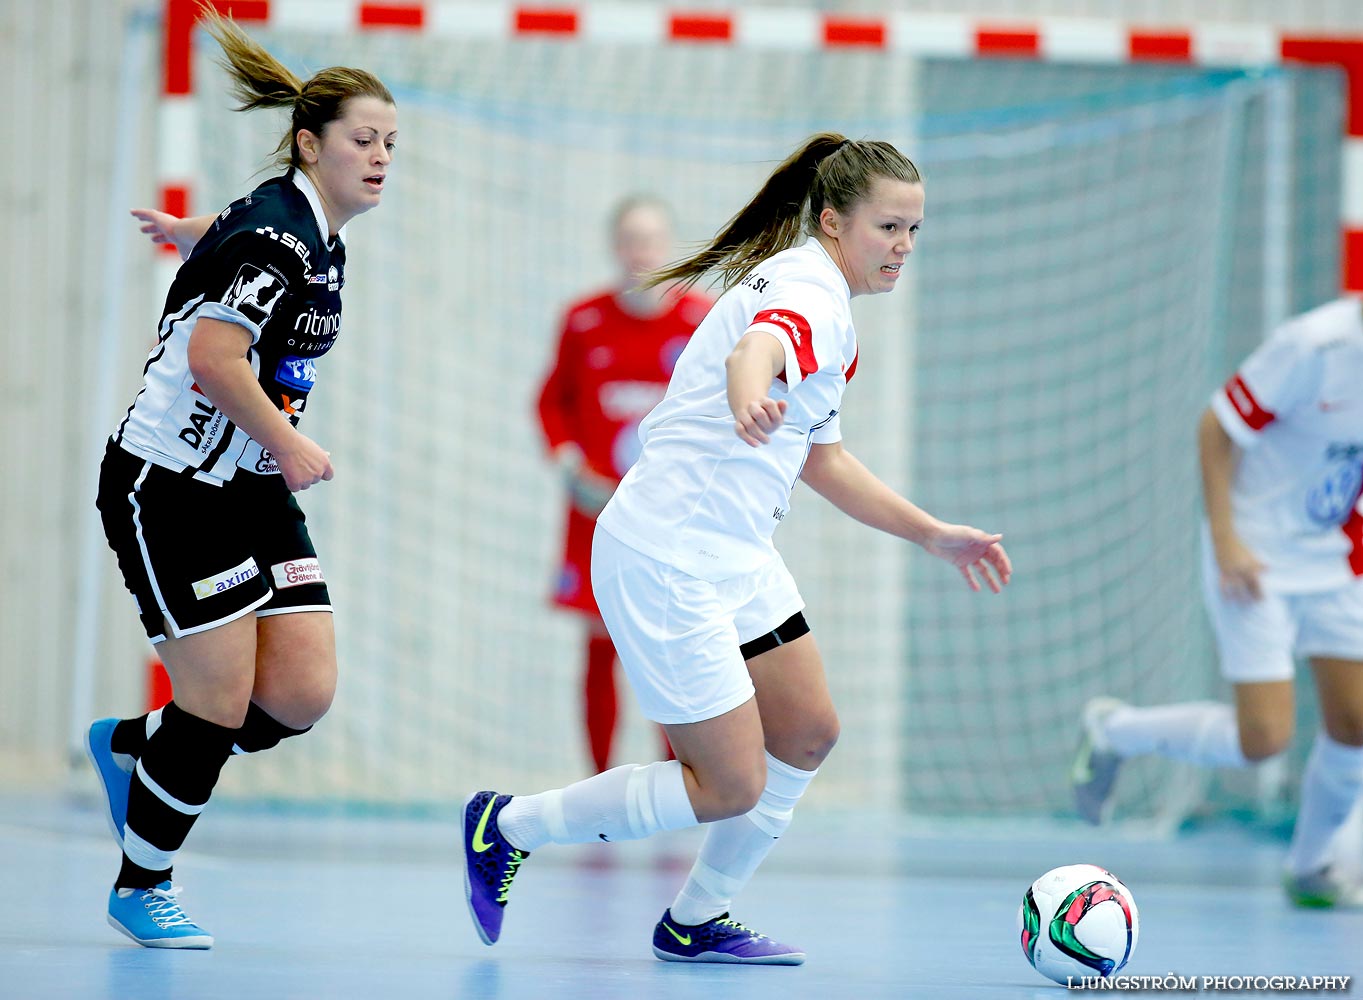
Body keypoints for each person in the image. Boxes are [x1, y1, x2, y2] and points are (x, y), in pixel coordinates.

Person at [461, 132, 1012, 964]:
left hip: (735, 554)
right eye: (886, 229)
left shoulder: (826, 299)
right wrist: (750, 392)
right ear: (832, 221)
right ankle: (505, 826)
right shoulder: (808, 292)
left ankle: (694, 919)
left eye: (912, 231)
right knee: (728, 785)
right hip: (666, 555)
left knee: (808, 733)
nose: (902, 248)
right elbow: (763, 345)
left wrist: (930, 533)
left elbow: (822, 458)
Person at [83, 8, 396, 948]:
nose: (381, 156)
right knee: (215, 704)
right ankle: (142, 882)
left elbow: (250, 230)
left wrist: (196, 228)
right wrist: (295, 447)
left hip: (247, 483)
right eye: (362, 139)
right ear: (311, 143)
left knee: (297, 695)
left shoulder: (305, 226)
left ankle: (137, 748)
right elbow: (220, 360)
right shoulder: (279, 235)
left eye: (391, 142)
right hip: (170, 486)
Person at [1072, 297, 1363, 908]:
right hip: (1254, 554)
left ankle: (1310, 868)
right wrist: (1227, 540)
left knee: (1356, 722)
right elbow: (1216, 427)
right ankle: (1116, 730)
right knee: (1264, 739)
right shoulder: (1314, 346)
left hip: (1332, 555)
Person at [535, 196, 709, 773]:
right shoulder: (583, 320)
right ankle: (600, 782)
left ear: (669, 248)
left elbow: (722, 411)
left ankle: (676, 780)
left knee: (668, 643)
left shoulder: (701, 322)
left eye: (652, 241)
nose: (642, 253)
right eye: (632, 240)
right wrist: (567, 462)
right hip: (598, 511)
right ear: (616, 246)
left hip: (670, 516)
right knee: (601, 638)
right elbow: (551, 401)